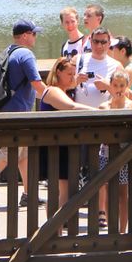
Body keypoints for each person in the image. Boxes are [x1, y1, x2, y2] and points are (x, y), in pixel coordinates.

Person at [1, 21, 47, 205]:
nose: (35, 37)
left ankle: (29, 195)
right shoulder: (26, 55)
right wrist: (56, 98)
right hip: (19, 114)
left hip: (7, 110)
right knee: (6, 155)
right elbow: (37, 84)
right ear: (26, 35)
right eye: (34, 34)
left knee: (24, 155)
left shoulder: (8, 51)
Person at [37, 58, 80, 215]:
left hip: (63, 144)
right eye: (69, 73)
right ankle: (53, 230)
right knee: (59, 190)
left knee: (66, 189)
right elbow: (71, 107)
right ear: (58, 72)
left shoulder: (65, 91)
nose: (72, 77)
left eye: (74, 74)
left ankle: (57, 230)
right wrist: (99, 111)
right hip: (54, 145)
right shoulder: (52, 91)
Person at [97, 68, 132, 232]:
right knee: (106, 188)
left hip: (125, 154)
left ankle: (122, 230)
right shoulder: (103, 106)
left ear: (127, 86)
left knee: (123, 193)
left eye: (122, 85)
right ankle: (111, 227)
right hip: (106, 152)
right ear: (110, 86)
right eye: (115, 85)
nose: (119, 89)